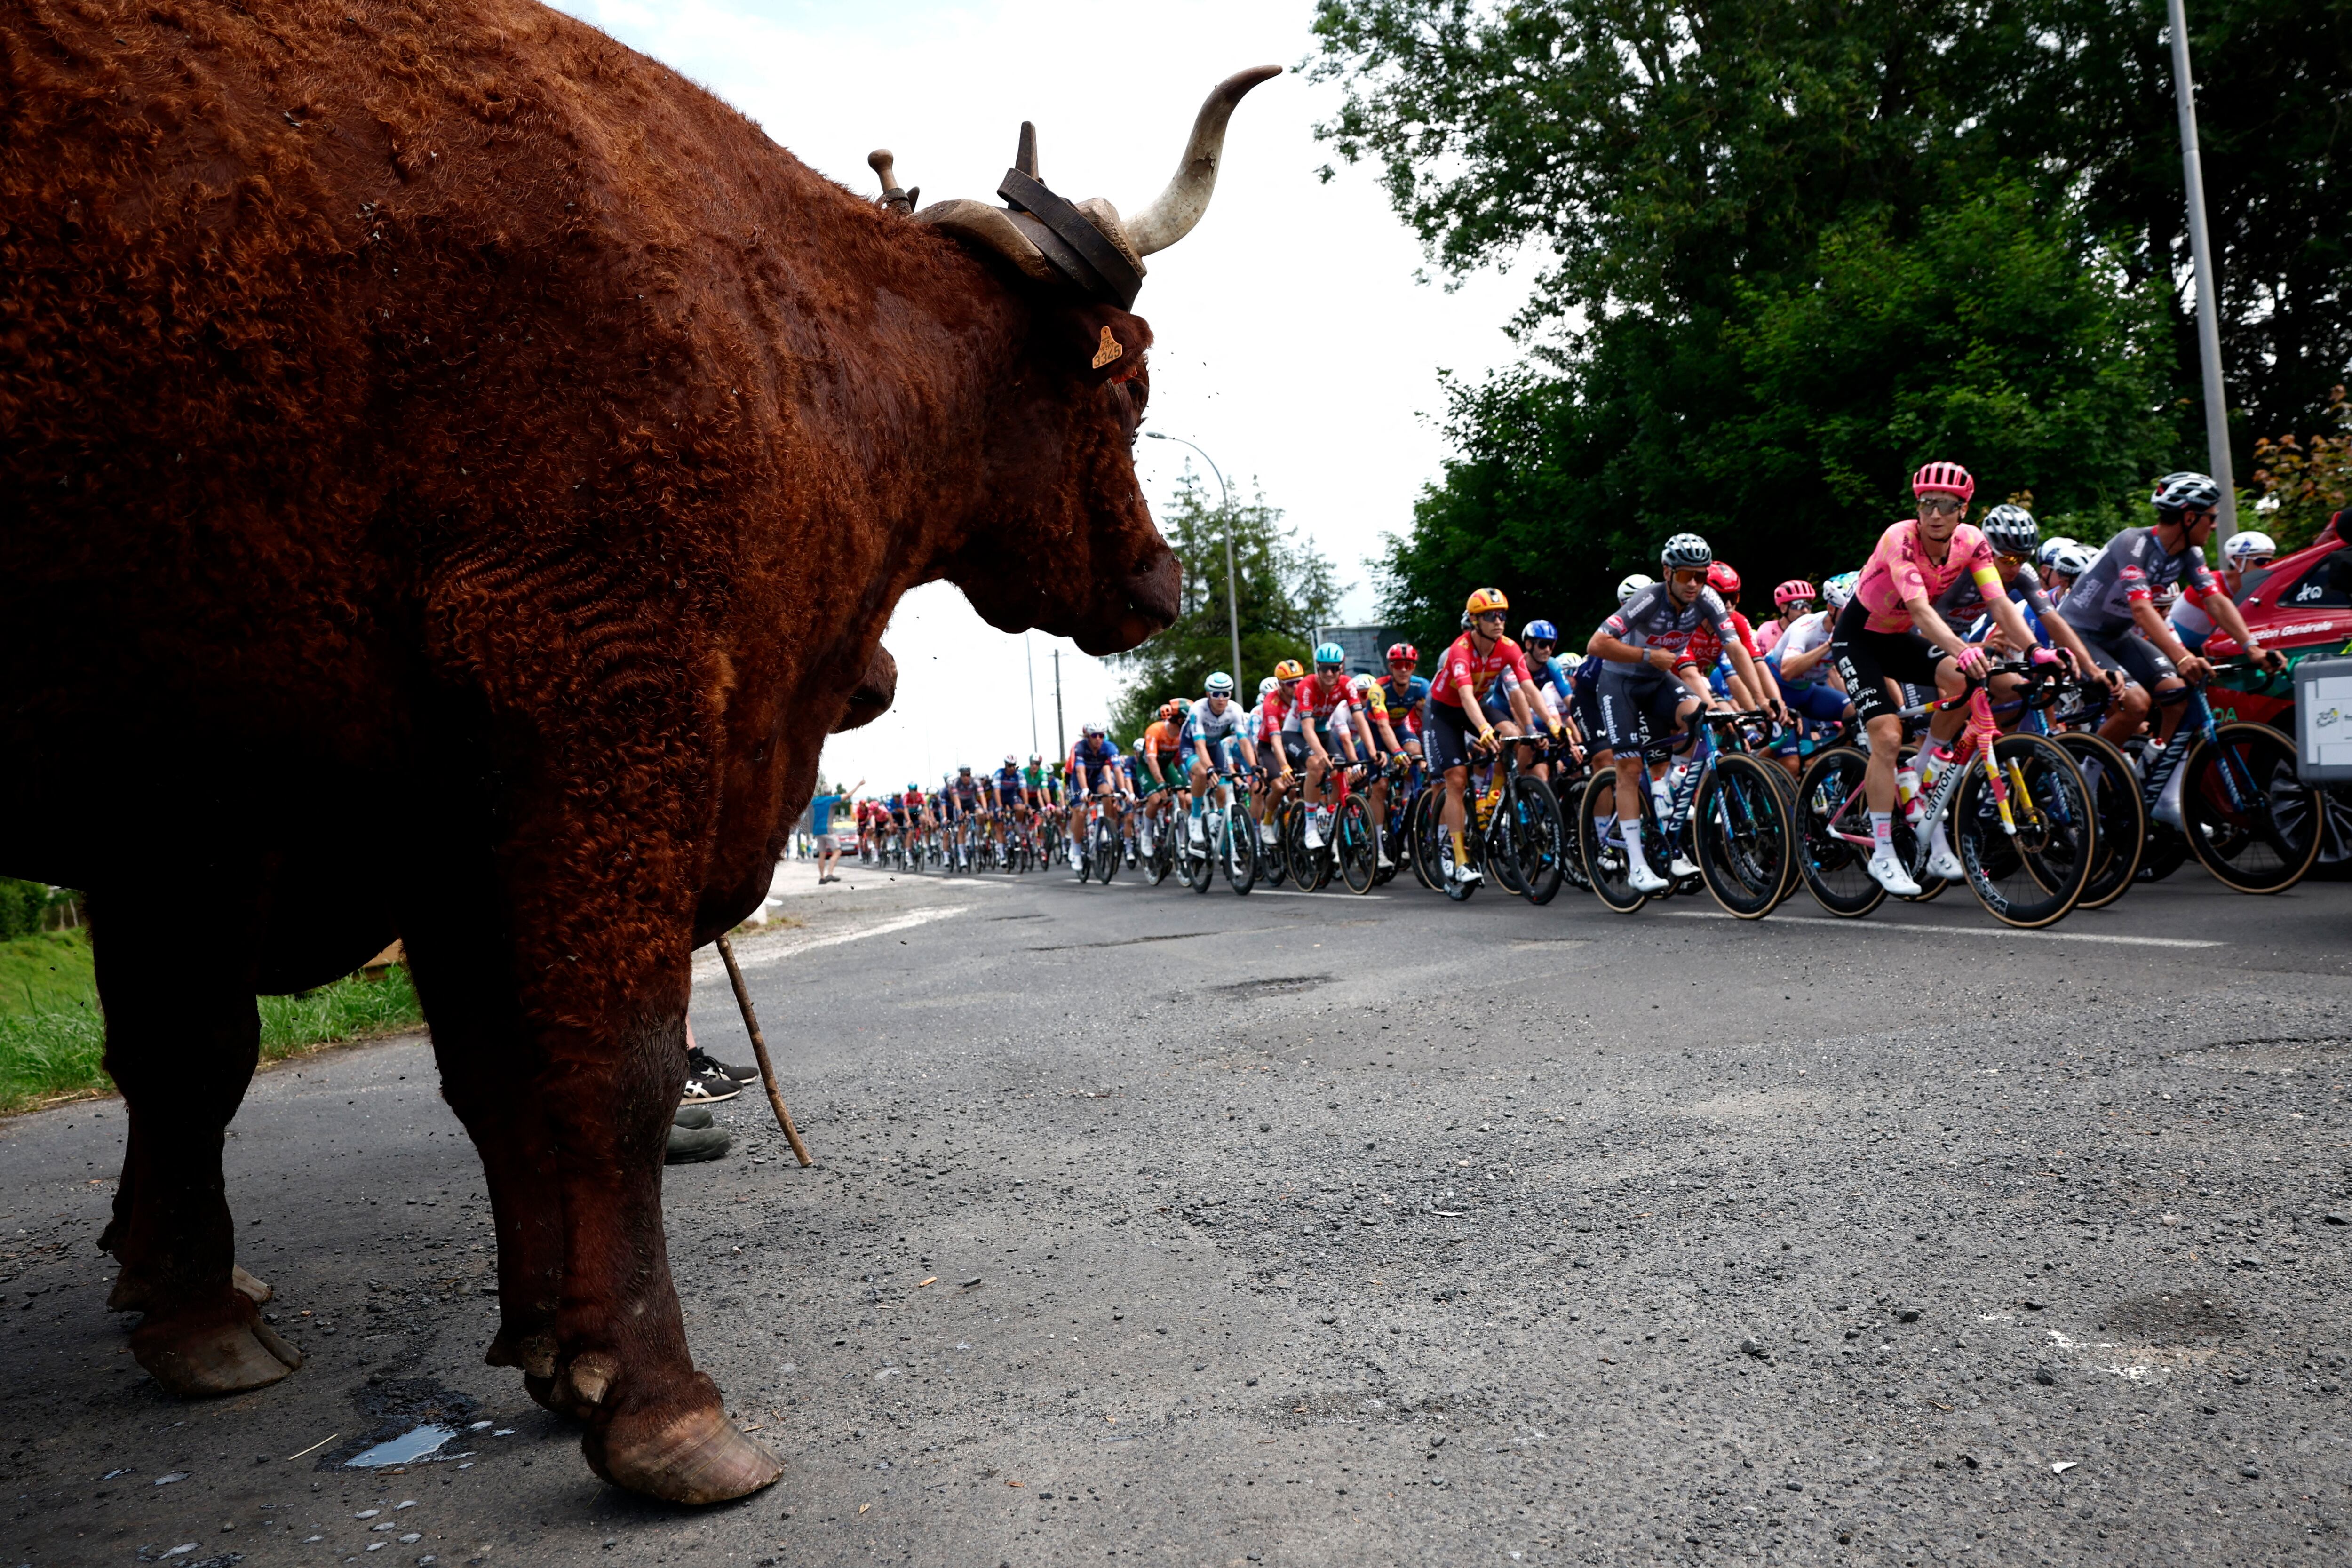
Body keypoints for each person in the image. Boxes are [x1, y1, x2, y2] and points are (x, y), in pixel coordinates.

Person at [1830, 461, 2045, 896]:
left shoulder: (1973, 542)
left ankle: (1925, 768)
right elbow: (1921, 612)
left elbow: (2000, 602)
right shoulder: (1900, 538)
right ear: (1918, 506)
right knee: (1888, 737)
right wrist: (1962, 647)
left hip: (1897, 639)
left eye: (1947, 505)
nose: (1935, 514)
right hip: (1859, 638)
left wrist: (2038, 651)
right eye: (1928, 503)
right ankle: (1884, 853)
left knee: (1969, 683)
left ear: (1963, 511)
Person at [1588, 536, 1778, 893]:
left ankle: (1670, 800)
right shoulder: (1648, 599)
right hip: (1621, 683)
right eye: (1686, 575)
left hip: (1659, 681)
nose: (1694, 583)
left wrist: (1760, 700)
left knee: (1705, 719)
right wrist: (1647, 656)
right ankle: (1637, 863)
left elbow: (1735, 648)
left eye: (1701, 576)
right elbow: (1596, 644)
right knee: (1628, 767)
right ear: (1667, 573)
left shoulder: (1707, 599)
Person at [2053, 472, 2287, 749]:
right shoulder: (2132, 544)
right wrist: (2183, 658)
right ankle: (2084, 778)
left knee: (2177, 696)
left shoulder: (2190, 554)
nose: (2214, 526)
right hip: (2076, 635)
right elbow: (2140, 609)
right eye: (2211, 518)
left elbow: (2216, 599)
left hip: (2116, 636)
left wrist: (2252, 647)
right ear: (2190, 518)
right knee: (2137, 704)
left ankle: (2158, 775)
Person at [1428, 588, 1540, 888]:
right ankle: (1460, 857)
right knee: (1456, 779)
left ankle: (1491, 800)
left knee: (1514, 736)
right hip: (1446, 712)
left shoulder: (1508, 648)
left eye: (1502, 615)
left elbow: (1525, 689)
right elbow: (1464, 695)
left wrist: (1546, 725)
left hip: (1476, 707)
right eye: (1491, 616)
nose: (1499, 621)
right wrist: (1484, 729)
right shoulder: (1460, 650)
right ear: (1476, 622)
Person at [2170, 527, 2276, 654]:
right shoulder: (2209, 583)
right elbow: (2224, 629)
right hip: (2174, 647)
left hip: (2198, 647)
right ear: (2239, 562)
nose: (2268, 566)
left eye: (2271, 561)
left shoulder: (2254, 587)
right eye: (2261, 561)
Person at [809, 778, 862, 884]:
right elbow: (848, 795)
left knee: (822, 854)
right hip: (827, 829)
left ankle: (822, 877)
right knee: (837, 851)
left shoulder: (816, 801)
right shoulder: (831, 800)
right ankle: (830, 874)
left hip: (817, 830)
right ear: (830, 792)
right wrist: (859, 784)